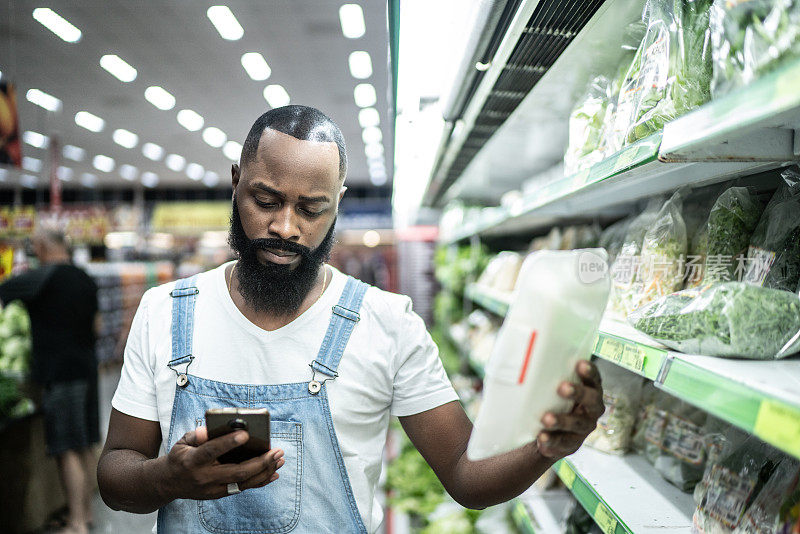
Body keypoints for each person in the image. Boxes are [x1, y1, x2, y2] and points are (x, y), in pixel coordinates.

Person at [98, 105, 604, 533]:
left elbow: (464, 475)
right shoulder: (166, 311)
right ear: (236, 182)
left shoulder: (388, 323)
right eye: (265, 200)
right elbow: (115, 472)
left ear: (338, 204)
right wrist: (168, 478)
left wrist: (546, 447)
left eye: (311, 209)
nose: (285, 227)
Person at [0, 228, 99, 534]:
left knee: (66, 448)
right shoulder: (85, 278)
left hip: (61, 375)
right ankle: (85, 513)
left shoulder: (44, 277)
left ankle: (77, 523)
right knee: (82, 446)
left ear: (42, 247)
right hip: (86, 370)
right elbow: (96, 325)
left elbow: (5, 289)